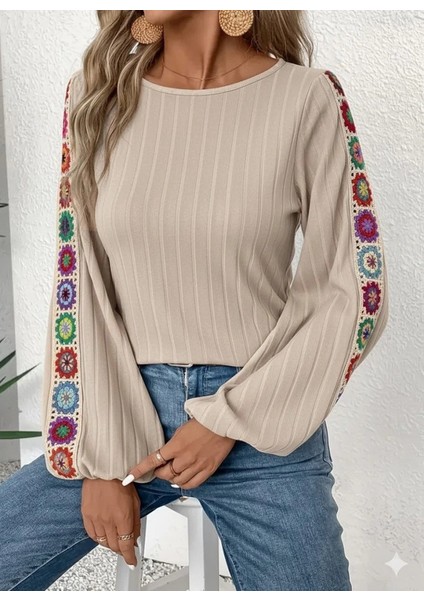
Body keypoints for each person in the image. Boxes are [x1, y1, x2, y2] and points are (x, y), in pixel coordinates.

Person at [0, 10, 389, 591]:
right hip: (123, 412)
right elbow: (81, 287)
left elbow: (354, 286)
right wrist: (101, 462)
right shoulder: (97, 96)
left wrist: (227, 421)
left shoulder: (305, 98)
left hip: (260, 422)